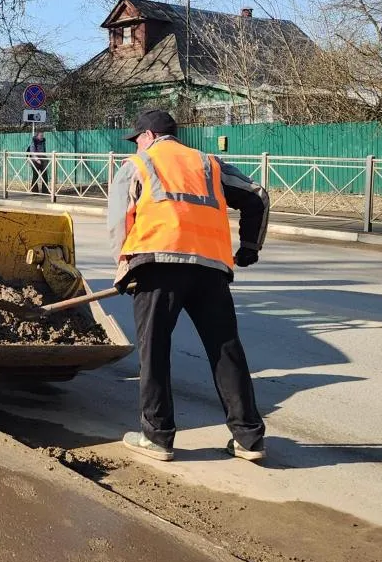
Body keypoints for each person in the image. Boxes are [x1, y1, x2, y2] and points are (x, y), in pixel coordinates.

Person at [107, 109, 270, 463]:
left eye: (137, 139)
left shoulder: (139, 164)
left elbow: (121, 219)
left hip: (156, 265)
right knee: (225, 349)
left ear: (148, 136)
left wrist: (124, 266)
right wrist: (249, 248)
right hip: (210, 269)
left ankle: (158, 437)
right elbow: (257, 195)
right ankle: (249, 438)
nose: (136, 145)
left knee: (154, 350)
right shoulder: (209, 164)